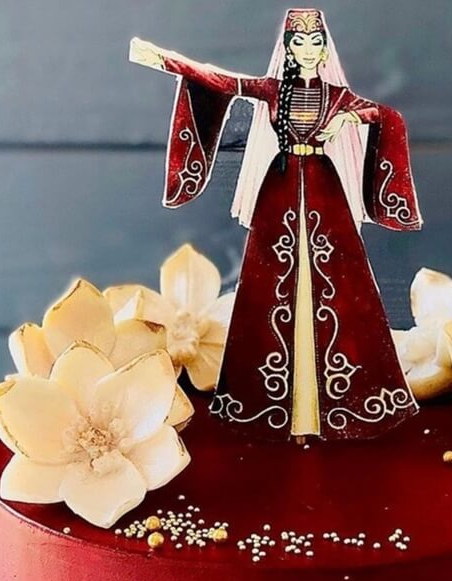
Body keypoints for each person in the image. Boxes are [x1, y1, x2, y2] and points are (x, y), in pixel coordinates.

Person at [131, 8, 423, 441]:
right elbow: (220, 81)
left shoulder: (338, 96)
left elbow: (386, 115)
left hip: (325, 191)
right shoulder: (272, 90)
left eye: (314, 42)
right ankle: (276, 409)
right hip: (280, 190)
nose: (307, 49)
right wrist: (165, 60)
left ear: (324, 49)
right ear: (287, 48)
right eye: (298, 42)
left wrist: (350, 118)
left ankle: (333, 409)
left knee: (338, 283)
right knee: (271, 286)